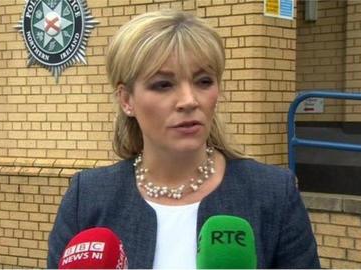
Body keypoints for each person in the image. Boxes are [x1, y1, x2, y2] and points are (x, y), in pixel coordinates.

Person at [47, 10, 320, 269]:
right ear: (126, 100)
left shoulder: (272, 193)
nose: (189, 101)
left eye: (203, 81)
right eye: (163, 84)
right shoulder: (88, 197)